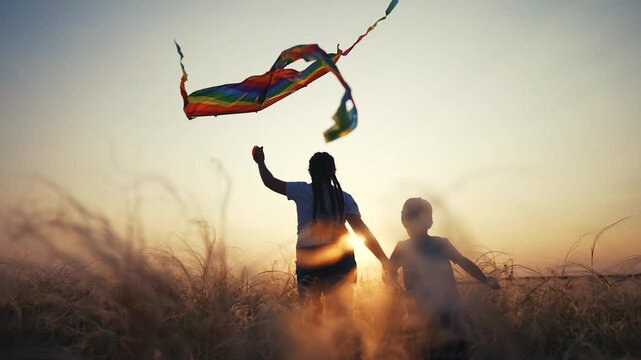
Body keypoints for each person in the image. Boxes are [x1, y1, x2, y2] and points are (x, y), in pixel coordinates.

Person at [252, 146, 389, 315]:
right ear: (333, 171)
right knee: (340, 316)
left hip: (308, 258)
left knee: (311, 315)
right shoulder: (344, 197)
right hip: (341, 259)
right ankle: (342, 342)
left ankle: (314, 342)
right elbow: (362, 232)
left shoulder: (301, 191)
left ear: (310, 171)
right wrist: (383, 259)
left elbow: (270, 182)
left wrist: (260, 162)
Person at [387, 197, 499, 360]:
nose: (410, 223)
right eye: (409, 218)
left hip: (444, 310)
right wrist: (485, 280)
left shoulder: (432, 245)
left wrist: (485, 280)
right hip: (424, 313)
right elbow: (389, 273)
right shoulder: (407, 247)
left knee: (438, 350)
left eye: (412, 218)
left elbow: (464, 263)